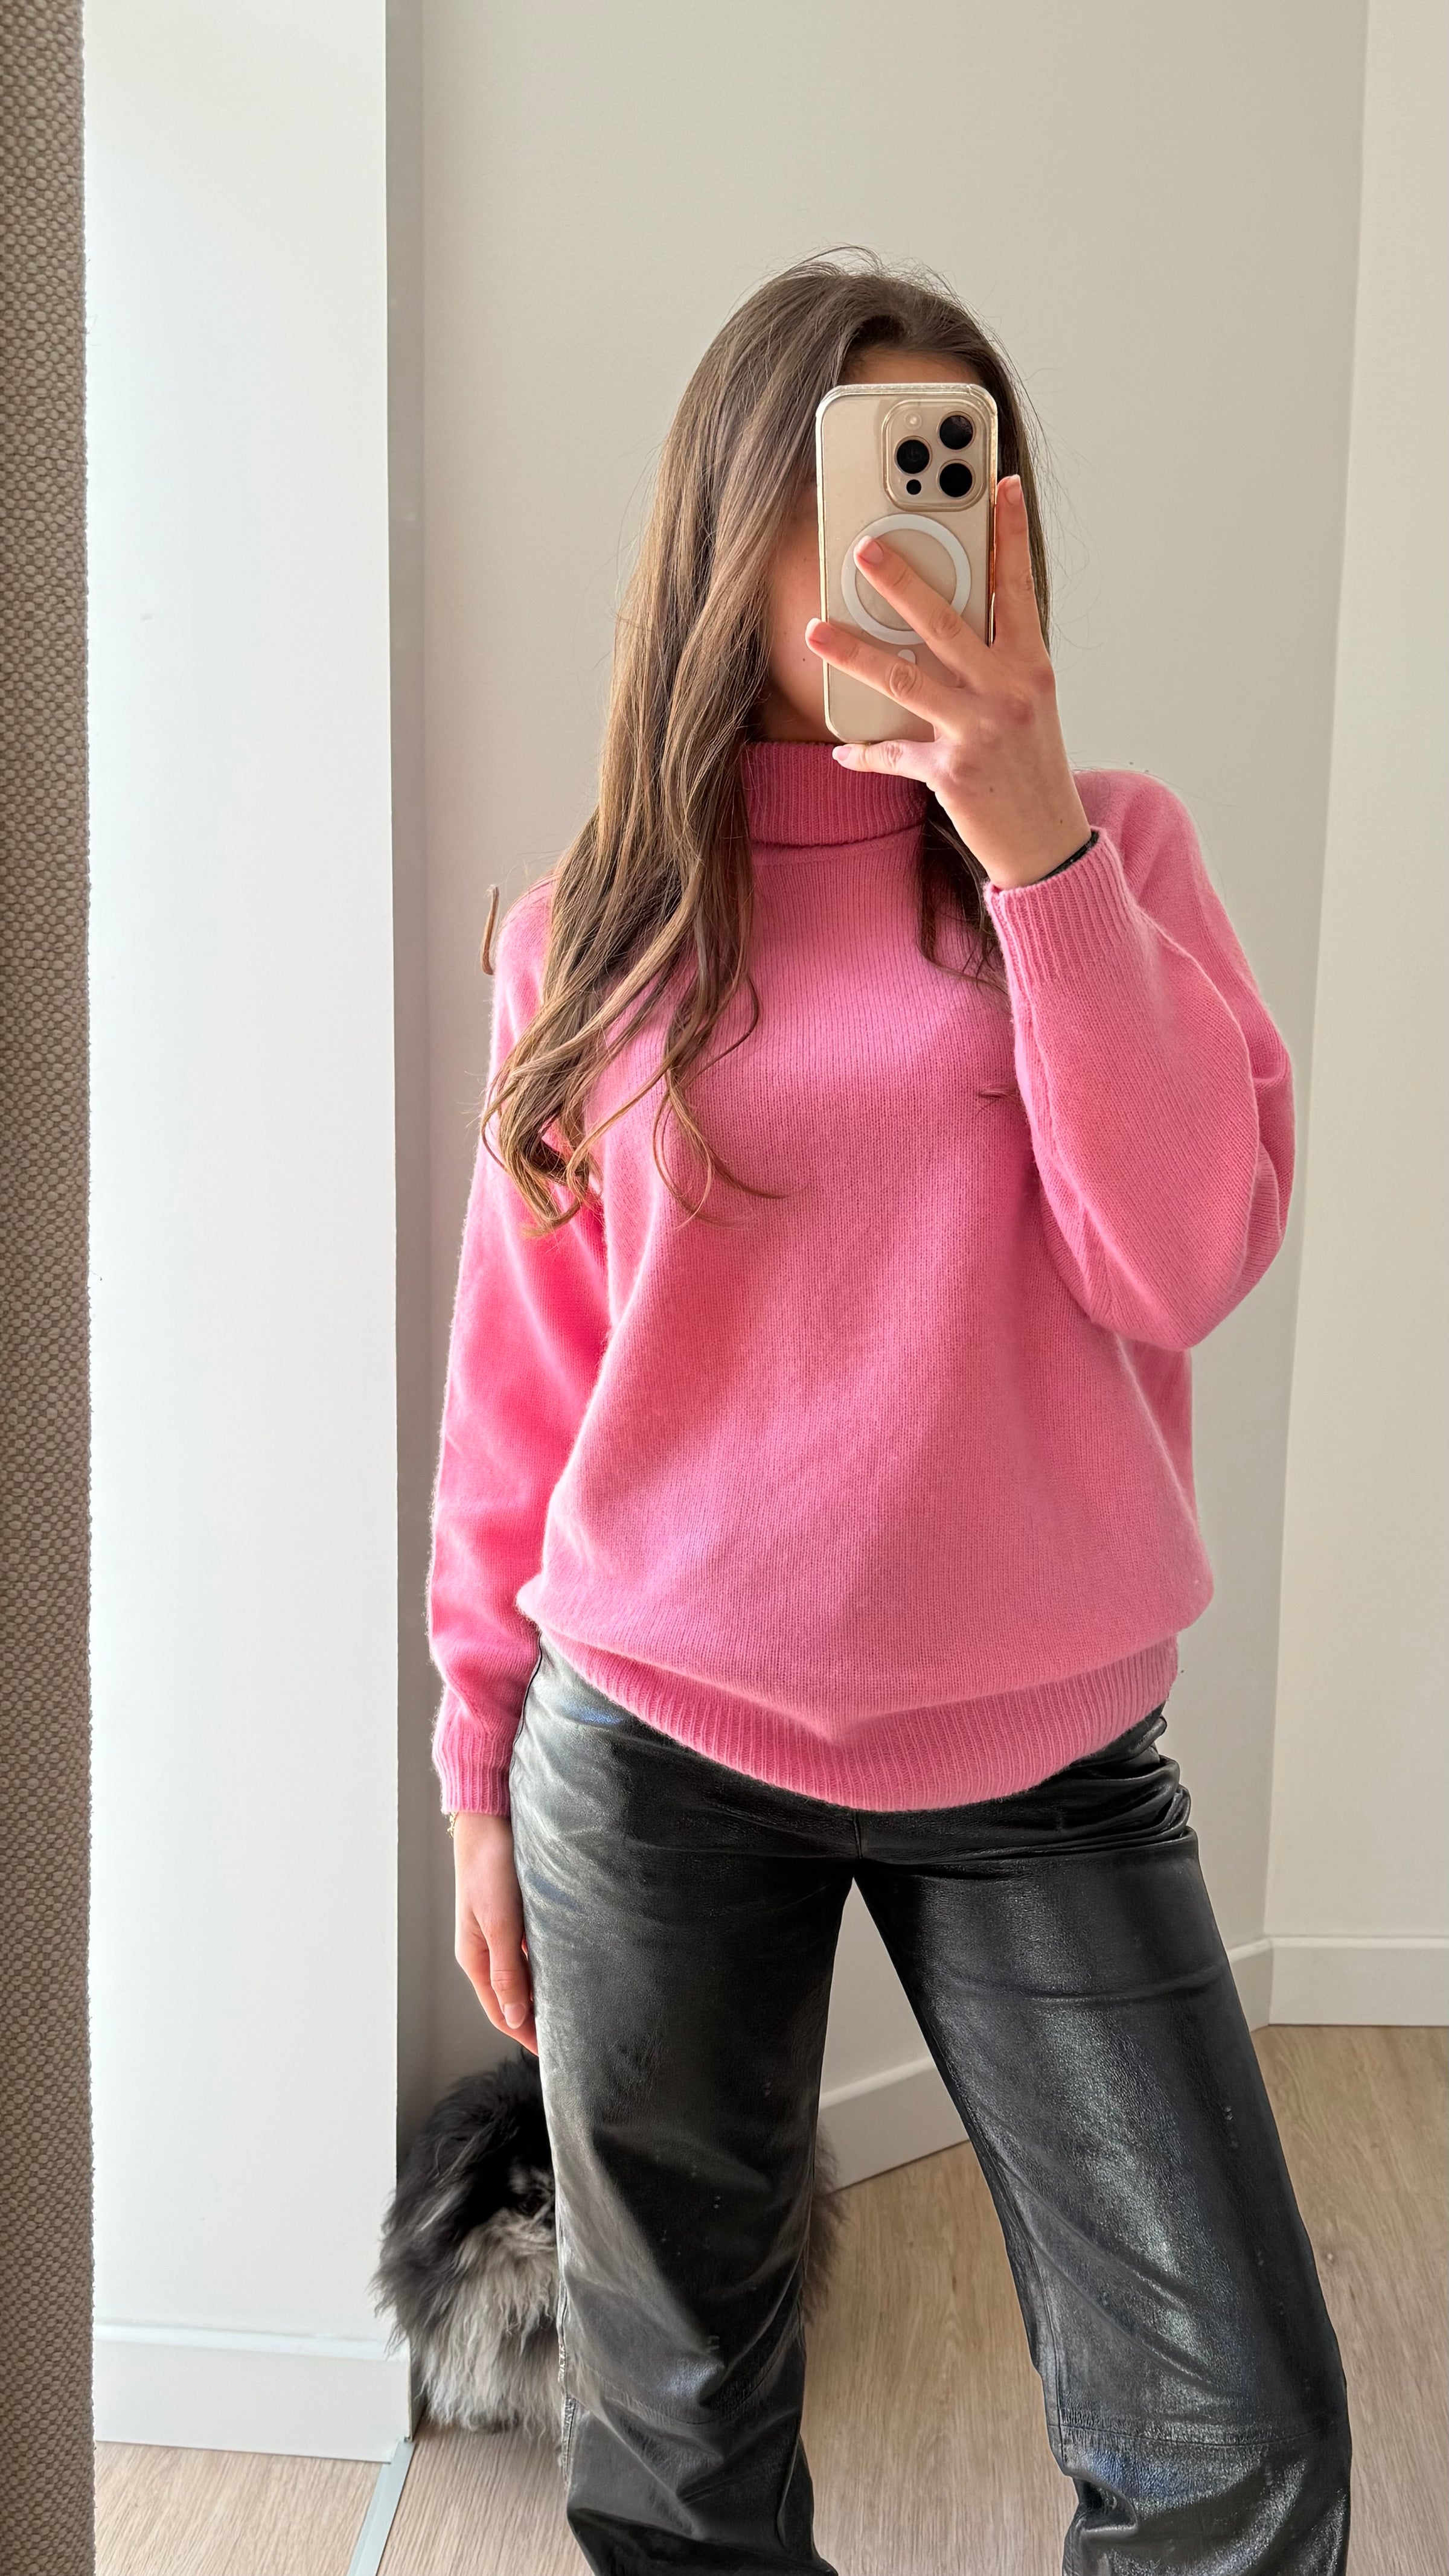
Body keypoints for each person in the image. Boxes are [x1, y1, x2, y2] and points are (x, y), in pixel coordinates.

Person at [426, 252, 1351, 2573]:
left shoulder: (1116, 856)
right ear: (730, 525)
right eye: (842, 496)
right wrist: (474, 1767)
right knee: (677, 2458)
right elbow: (518, 1393)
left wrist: (1033, 848)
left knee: (1240, 2443)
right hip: (650, 1746)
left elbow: (1182, 1259)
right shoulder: (594, 928)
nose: (892, 555)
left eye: (947, 489)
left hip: (1043, 1757)